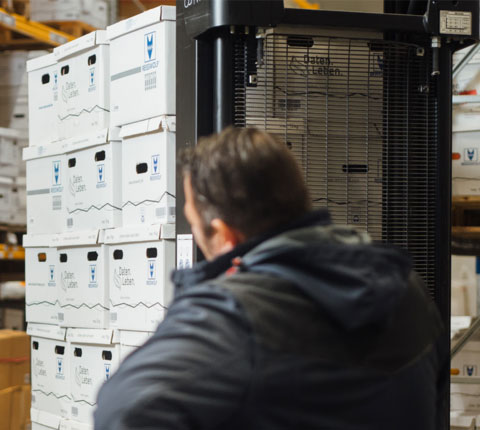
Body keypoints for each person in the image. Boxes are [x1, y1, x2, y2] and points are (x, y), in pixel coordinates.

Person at [95, 127, 447, 430]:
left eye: (194, 223)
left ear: (224, 234)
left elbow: (126, 410)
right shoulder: (405, 287)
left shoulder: (232, 316)